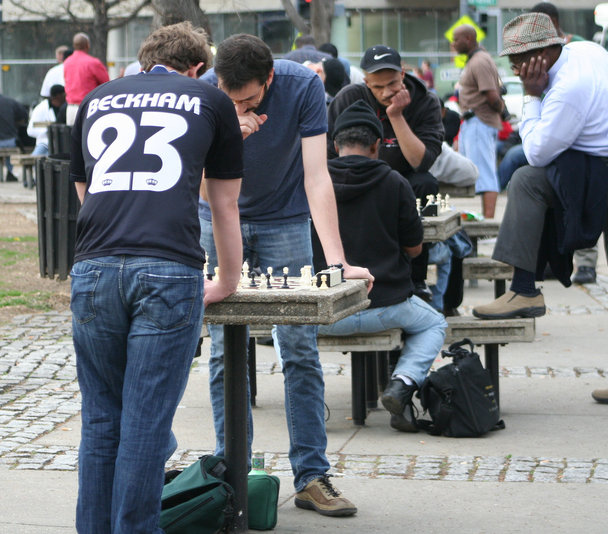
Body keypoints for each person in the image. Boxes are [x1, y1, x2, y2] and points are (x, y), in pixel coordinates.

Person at [69, 21, 244, 533]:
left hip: (95, 265)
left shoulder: (98, 98)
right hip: (168, 266)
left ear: (145, 61)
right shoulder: (208, 100)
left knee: (101, 419)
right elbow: (225, 205)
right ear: (198, 69)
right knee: (145, 424)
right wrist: (228, 279)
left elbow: (87, 191)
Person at [200, 33, 373, 518]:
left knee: (298, 343)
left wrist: (335, 261)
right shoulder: (209, 94)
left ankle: (312, 475)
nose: (239, 105)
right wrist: (230, 132)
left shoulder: (302, 87)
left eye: (249, 99)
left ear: (269, 79)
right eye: (230, 98)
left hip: (284, 220)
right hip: (215, 215)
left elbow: (318, 177)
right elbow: (193, 177)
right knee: (222, 348)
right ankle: (231, 471)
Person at [472, 13, 608, 406]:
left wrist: (534, 97)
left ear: (549, 52)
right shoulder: (585, 49)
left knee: (527, 181)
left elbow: (534, 154)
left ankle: (523, 289)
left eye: (521, 60)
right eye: (511, 61)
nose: (515, 69)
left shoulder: (567, 87)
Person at [316, 100, 447, 432]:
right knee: (435, 324)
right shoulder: (395, 182)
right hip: (387, 304)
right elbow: (415, 248)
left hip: (327, 311)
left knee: (281, 327)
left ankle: (309, 397)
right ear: (377, 146)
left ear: (335, 145)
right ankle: (401, 383)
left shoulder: (314, 184)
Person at [328, 44, 442, 303]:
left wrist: (396, 116)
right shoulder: (349, 98)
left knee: (426, 183)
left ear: (403, 74)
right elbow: (332, 156)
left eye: (391, 84)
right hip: (360, 177)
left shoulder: (425, 100)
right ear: (366, 82)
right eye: (376, 87)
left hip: (404, 180)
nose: (384, 92)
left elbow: (420, 162)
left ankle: (417, 277)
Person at [531, 1, 598, 285]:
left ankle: (586, 263)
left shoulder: (577, 47)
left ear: (554, 22)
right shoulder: (539, 52)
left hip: (581, 135)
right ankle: (557, 258)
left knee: (583, 198)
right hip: (554, 129)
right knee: (556, 197)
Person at [452, 25, 505, 220]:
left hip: (479, 121)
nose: (453, 44)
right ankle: (484, 223)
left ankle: (488, 227)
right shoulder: (476, 59)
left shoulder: (480, 61)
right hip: (473, 122)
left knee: (484, 174)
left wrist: (502, 111)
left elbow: (492, 94)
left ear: (468, 38)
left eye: (456, 40)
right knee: (478, 173)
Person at [63, 33, 109, 125]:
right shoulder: (93, 63)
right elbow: (107, 85)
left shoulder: (67, 62)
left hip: (71, 109)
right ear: (87, 45)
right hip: (89, 109)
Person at [26, 84, 66, 156]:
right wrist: (48, 132)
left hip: (62, 146)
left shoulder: (66, 107)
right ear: (58, 96)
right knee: (35, 160)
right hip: (45, 144)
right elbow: (30, 131)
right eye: (64, 95)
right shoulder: (41, 108)